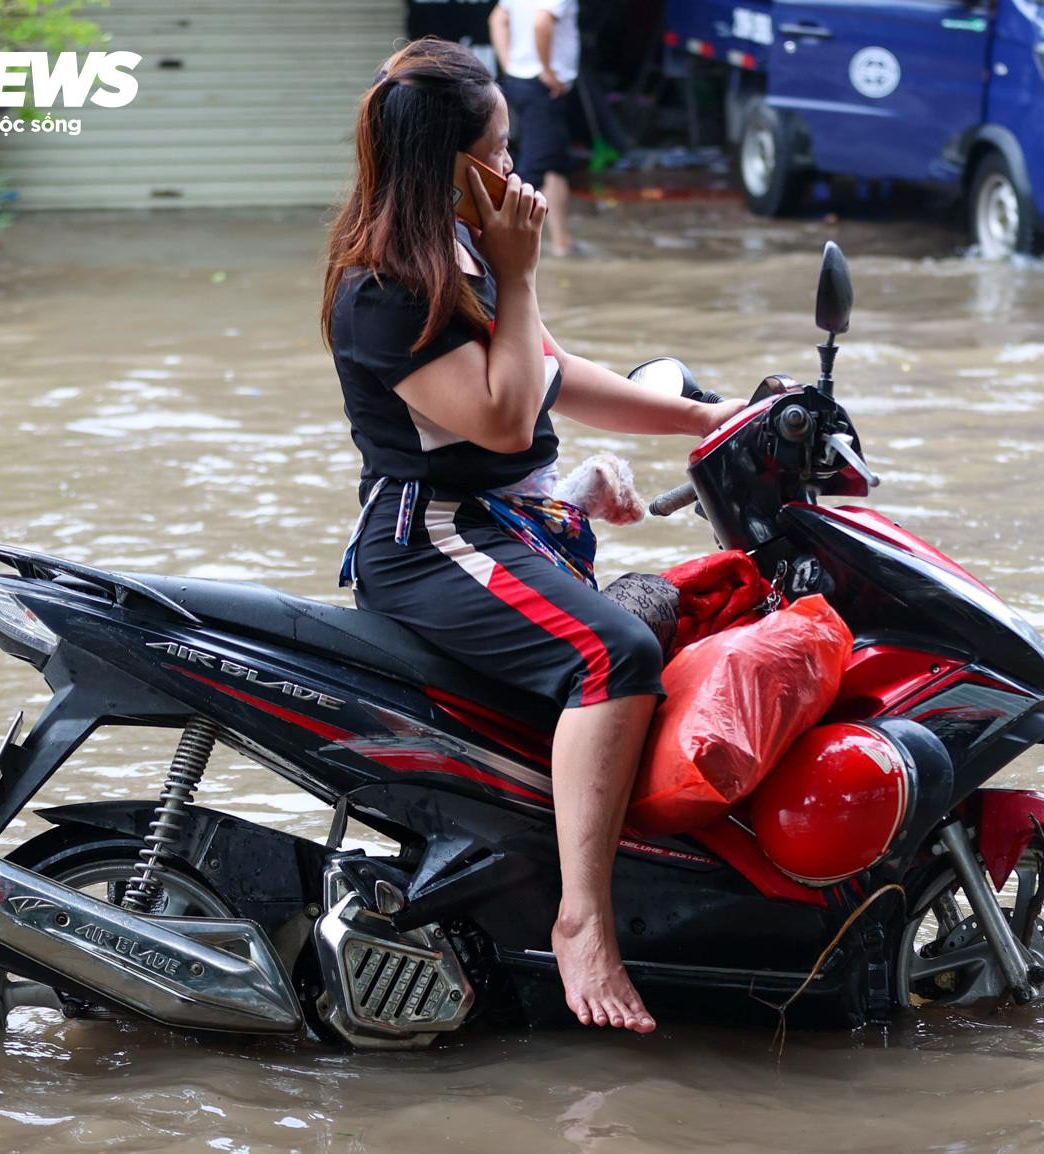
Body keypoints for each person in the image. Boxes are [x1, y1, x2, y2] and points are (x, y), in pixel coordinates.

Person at [320, 39, 744, 1034]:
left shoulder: (460, 254)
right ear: (448, 166)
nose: (514, 171)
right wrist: (525, 268)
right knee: (616, 650)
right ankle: (582, 920)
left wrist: (715, 416)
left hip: (495, 524)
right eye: (499, 152)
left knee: (677, 609)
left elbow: (552, 369)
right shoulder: (385, 285)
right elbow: (509, 417)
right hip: (430, 539)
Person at [489, 0, 580, 256]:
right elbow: (542, 23)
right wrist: (548, 70)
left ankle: (562, 241)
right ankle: (504, 247)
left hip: (525, 81)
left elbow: (496, 19)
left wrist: (509, 65)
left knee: (555, 162)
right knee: (534, 167)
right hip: (542, 86)